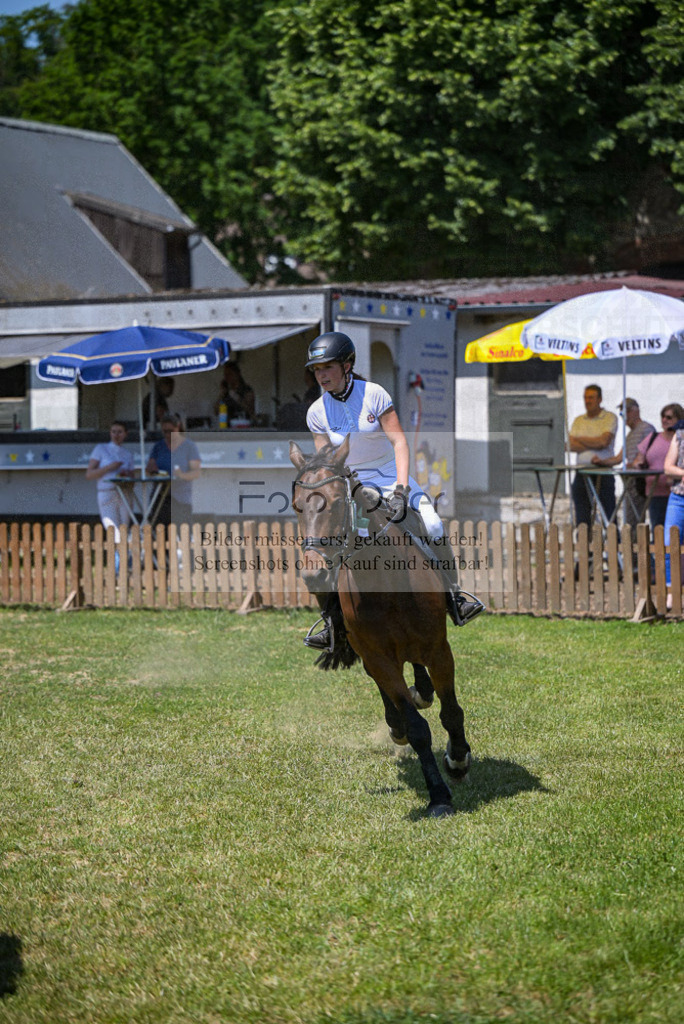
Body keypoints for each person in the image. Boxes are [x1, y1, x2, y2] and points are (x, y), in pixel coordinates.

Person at [301, 331, 484, 652]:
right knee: (333, 542)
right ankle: (331, 619)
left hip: (391, 475)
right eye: (316, 370)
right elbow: (326, 462)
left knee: (434, 524)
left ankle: (454, 596)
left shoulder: (374, 395)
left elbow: (399, 442)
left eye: (328, 367)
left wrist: (400, 490)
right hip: (352, 484)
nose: (322, 376)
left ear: (347, 366)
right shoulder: (316, 412)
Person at [591, 397, 654, 527]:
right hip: (630, 481)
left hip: (641, 480)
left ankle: (637, 544)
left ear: (635, 411)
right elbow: (619, 458)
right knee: (630, 517)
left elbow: (649, 454)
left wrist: (634, 464)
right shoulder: (630, 435)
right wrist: (601, 462)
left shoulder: (646, 429)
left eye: (626, 411)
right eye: (622, 413)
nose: (624, 416)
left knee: (636, 518)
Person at [569, 384, 618, 528]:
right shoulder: (579, 420)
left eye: (591, 397)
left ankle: (615, 546)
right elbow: (569, 445)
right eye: (585, 397)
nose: (587, 401)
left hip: (602, 471)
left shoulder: (609, 418)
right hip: (582, 472)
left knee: (608, 512)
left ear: (600, 399)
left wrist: (580, 439)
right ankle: (585, 548)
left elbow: (604, 442)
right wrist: (594, 441)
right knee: (582, 514)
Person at [632, 403, 684, 529]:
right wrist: (639, 464)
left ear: (679, 419)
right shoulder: (653, 437)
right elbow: (638, 458)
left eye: (669, 417)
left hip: (676, 490)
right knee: (658, 528)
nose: (664, 420)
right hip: (655, 491)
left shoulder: (679, 438)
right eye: (663, 416)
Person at [146, 414, 201, 525]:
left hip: (181, 496)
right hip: (160, 495)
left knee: (182, 532)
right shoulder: (158, 446)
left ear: (178, 427)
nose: (168, 434)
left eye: (171, 431)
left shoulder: (189, 446)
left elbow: (196, 472)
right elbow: (149, 468)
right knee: (161, 531)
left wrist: (182, 475)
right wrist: (152, 469)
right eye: (165, 431)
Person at [85, 421, 135, 540]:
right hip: (107, 493)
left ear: (125, 434)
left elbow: (132, 480)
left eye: (120, 432)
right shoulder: (101, 449)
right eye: (113, 432)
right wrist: (109, 467)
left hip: (124, 493)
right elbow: (89, 474)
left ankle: (123, 558)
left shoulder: (128, 454)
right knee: (114, 531)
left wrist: (126, 475)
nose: (116, 435)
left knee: (124, 530)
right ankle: (119, 558)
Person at [663, 417, 684, 602]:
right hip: (679, 497)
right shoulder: (680, 434)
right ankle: (672, 593)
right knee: (670, 543)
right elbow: (668, 467)